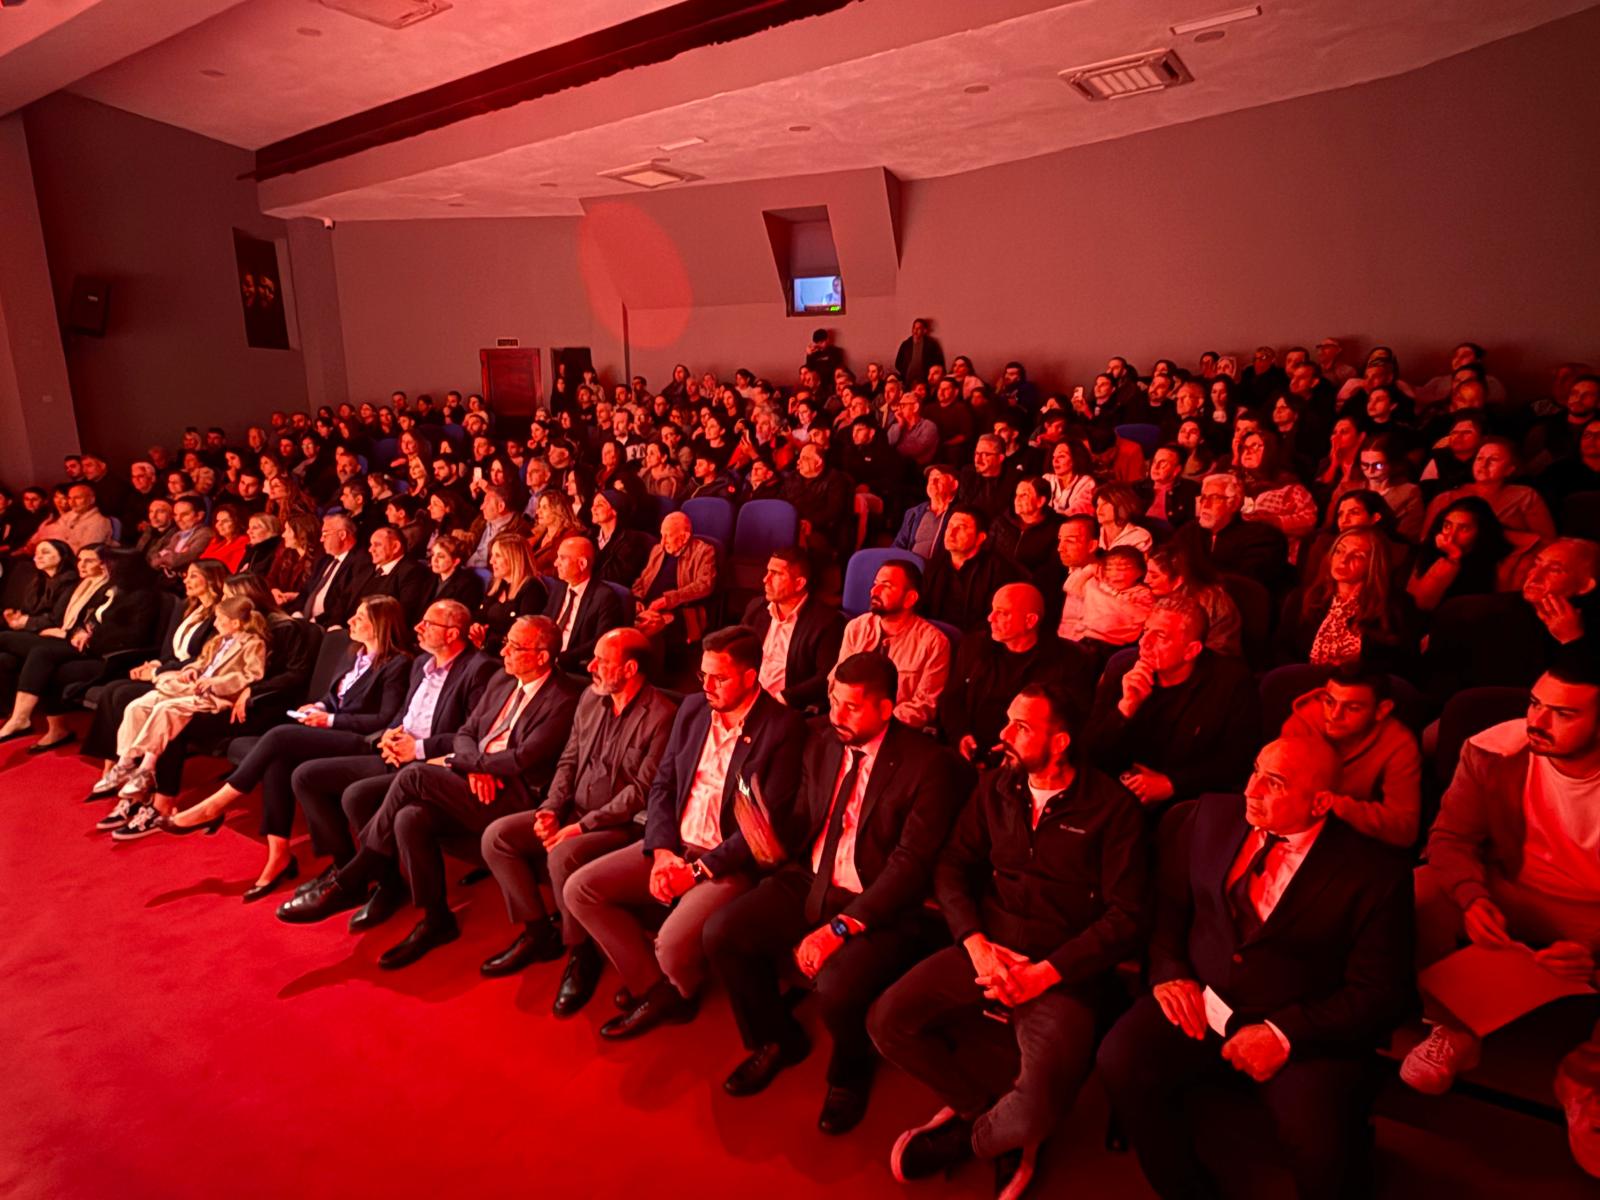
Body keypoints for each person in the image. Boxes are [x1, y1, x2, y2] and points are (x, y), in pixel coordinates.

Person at [1097, 737, 1414, 1200]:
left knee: (1319, 1144)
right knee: (1120, 1058)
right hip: (1202, 998)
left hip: (1302, 1027)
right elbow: (1168, 907)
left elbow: (1381, 992)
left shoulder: (1374, 874)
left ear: (1320, 803)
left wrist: (1283, 1033)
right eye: (1255, 770)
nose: (1251, 789)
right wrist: (1169, 971)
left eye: (1275, 782)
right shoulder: (1208, 818)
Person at [871, 683, 1146, 1197]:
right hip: (989, 949)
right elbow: (952, 864)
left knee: (1038, 1105)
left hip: (1062, 971)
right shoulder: (997, 786)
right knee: (886, 1021)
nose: (1004, 734)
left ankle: (975, 1139)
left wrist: (1046, 973)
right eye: (1008, 721)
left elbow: (1126, 917)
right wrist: (974, 943)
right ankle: (978, 1107)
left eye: (1021, 727)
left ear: (1060, 742)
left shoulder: (1113, 810)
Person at [704, 653, 967, 1132]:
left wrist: (837, 929)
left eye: (851, 707)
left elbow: (910, 866)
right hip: (811, 878)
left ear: (886, 709)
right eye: (833, 701)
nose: (836, 715)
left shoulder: (928, 765)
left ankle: (849, 1072)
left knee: (837, 985)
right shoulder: (823, 742)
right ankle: (777, 1039)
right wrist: (768, 836)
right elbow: (808, 816)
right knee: (722, 932)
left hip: (880, 901)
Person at [277, 616, 580, 971]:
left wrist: (465, 763)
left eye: (516, 647)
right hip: (474, 778)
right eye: (507, 643)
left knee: (415, 775)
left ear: (542, 656)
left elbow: (522, 759)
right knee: (410, 818)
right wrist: (474, 766)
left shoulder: (563, 698)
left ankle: (354, 875)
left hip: (515, 795)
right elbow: (466, 732)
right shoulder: (503, 678)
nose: (505, 651)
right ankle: (437, 919)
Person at [561, 625, 806, 1037]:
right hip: (674, 845)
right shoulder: (693, 709)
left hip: (726, 862)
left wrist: (694, 873)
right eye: (702, 675)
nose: (707, 686)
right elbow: (663, 786)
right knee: (580, 889)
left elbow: (761, 828)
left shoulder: (781, 728)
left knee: (671, 944)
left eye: (719, 678)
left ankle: (680, 988)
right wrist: (661, 853)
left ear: (750, 677)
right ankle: (658, 991)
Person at [1402, 660, 1600, 1108]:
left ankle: (1587, 1079)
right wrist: (1472, 898)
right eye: (1535, 703)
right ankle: (1453, 1026)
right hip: (1512, 883)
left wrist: (1591, 953)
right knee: (1416, 893)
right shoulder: (1495, 750)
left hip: (1592, 908)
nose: (1538, 722)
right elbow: (1450, 838)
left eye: (1564, 713)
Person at [149, 599, 451, 891]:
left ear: (380, 625)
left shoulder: (397, 664)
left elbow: (384, 718)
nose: (351, 621)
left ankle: (216, 805)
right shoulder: (353, 654)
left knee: (280, 736)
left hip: (361, 739)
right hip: (332, 729)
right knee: (278, 760)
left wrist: (329, 720)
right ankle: (278, 854)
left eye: (360, 617)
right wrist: (318, 706)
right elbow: (334, 697)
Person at [479, 628, 677, 1002]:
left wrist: (581, 827)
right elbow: (568, 761)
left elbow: (641, 792)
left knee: (562, 854)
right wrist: (551, 809)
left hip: (618, 826)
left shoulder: (662, 715)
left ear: (630, 668)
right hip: (572, 810)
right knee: (497, 837)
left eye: (602, 660)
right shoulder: (590, 697)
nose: (591, 666)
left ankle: (580, 951)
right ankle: (538, 932)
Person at [88, 597, 268, 819]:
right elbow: (203, 662)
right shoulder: (218, 641)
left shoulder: (253, 644)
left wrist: (214, 682)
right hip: (193, 688)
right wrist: (191, 670)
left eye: (220, 619)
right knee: (137, 706)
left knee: (166, 710)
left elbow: (252, 675)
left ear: (236, 623)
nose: (214, 623)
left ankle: (146, 768)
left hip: (215, 696)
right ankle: (125, 762)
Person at [1086, 597, 1260, 809]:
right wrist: (1125, 709)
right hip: (1117, 792)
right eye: (1145, 630)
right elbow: (1091, 752)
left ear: (1191, 650)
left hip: (1188, 800)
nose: (1144, 642)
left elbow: (1237, 763)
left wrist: (1173, 784)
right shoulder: (1122, 668)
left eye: (1160, 636)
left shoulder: (1231, 683)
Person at [0, 547, 158, 751]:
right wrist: (81, 632)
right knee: (39, 656)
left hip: (110, 658)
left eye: (108, 563)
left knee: (46, 659)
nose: (103, 567)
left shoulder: (143, 596)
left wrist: (90, 637)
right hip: (87, 647)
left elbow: (133, 637)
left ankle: (26, 720)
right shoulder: (112, 590)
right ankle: (40, 724)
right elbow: (90, 619)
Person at [939, 583, 1091, 765]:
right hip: (970, 751)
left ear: (1030, 621)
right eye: (992, 610)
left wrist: (1017, 749)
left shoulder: (1069, 662)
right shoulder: (975, 646)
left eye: (1002, 613)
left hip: (1028, 760)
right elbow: (952, 697)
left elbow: (1068, 723)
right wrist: (960, 735)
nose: (990, 618)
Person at [1280, 667, 1423, 849]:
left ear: (1382, 710)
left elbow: (1405, 829)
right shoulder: (1302, 722)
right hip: (1297, 831)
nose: (1334, 715)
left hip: (1356, 839)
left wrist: (1338, 806)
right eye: (1329, 702)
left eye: (1352, 708)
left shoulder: (1399, 744)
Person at [833, 560, 951, 730]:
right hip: (846, 721)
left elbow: (925, 705)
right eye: (875, 584)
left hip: (898, 731)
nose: (874, 591)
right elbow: (836, 680)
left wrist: (875, 722)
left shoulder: (934, 642)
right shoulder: (856, 628)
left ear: (910, 599)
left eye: (886, 586)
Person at [1276, 528, 1414, 673]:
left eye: (1357, 556)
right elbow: (1282, 650)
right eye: (1339, 551)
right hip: (1304, 680)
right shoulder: (1302, 598)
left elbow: (1403, 666)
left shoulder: (1397, 607)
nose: (1343, 560)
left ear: (1374, 564)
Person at [740, 547, 844, 712]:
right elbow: (738, 652)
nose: (765, 579)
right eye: (768, 571)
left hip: (786, 706)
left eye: (776, 574)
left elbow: (825, 677)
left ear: (799, 583)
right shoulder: (756, 608)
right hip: (747, 696)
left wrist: (782, 699)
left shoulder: (828, 622)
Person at [921, 505, 1025, 633]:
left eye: (961, 527)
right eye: (950, 526)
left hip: (974, 638)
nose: (951, 533)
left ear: (980, 538)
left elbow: (994, 620)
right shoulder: (936, 563)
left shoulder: (998, 570)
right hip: (933, 633)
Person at [1176, 473, 1289, 588]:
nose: (1206, 504)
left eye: (1214, 498)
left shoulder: (1263, 537)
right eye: (1204, 497)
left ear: (1234, 504)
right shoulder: (1189, 531)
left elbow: (1245, 584)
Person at [1405, 496, 1512, 613]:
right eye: (1447, 526)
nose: (1451, 537)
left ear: (1481, 532)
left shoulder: (1497, 562)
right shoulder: (1428, 551)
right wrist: (1452, 559)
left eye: (1464, 529)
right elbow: (1420, 603)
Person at [541, 534, 627, 673]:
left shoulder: (604, 597)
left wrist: (559, 659)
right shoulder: (560, 587)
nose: (556, 563)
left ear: (582, 564)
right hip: (545, 658)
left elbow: (601, 641)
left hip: (573, 666)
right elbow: (545, 620)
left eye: (562, 558)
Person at [631, 510, 717, 645]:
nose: (662, 542)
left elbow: (704, 585)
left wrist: (668, 600)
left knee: (646, 632)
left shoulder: (704, 551)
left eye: (668, 536)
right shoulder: (658, 550)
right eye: (661, 535)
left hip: (681, 611)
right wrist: (637, 598)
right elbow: (642, 579)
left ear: (685, 537)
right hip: (647, 608)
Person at [1143, 543, 1242, 658]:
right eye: (1147, 573)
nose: (1146, 580)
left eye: (1154, 576)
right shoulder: (1159, 595)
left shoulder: (1204, 605)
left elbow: (1214, 651)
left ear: (1179, 580)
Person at [470, 532, 547, 653]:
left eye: (498, 556)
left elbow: (521, 634)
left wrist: (486, 642)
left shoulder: (533, 589)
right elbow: (480, 615)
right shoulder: (497, 583)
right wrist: (476, 627)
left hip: (506, 653)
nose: (491, 561)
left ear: (514, 558)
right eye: (492, 555)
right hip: (483, 648)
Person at [297, 513, 375, 628]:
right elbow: (307, 589)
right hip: (305, 620)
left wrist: (316, 621)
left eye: (325, 534)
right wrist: (297, 612)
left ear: (342, 535)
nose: (321, 539)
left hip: (327, 625)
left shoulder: (361, 562)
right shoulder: (325, 559)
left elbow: (345, 602)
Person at [893, 464, 959, 559]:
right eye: (930, 478)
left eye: (938, 478)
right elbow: (899, 544)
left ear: (954, 485)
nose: (932, 482)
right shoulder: (914, 513)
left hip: (941, 567)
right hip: (912, 565)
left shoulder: (959, 514)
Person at [895, 317, 945, 385]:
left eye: (918, 328)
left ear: (924, 331)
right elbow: (898, 363)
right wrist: (905, 372)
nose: (915, 331)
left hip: (925, 381)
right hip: (907, 381)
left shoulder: (931, 345)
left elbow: (938, 363)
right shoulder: (906, 344)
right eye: (914, 328)